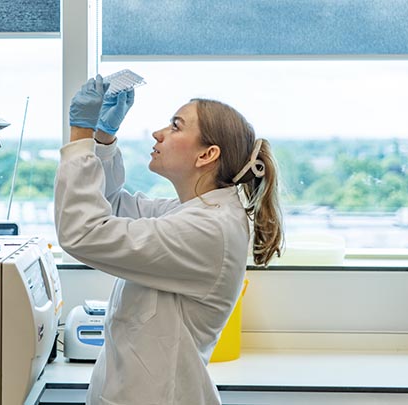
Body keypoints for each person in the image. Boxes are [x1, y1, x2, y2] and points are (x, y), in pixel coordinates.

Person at [54, 75, 284, 405]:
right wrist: (103, 138)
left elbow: (84, 233)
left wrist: (80, 137)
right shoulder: (193, 213)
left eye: (176, 126)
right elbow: (113, 207)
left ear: (207, 155)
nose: (158, 133)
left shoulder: (208, 229)